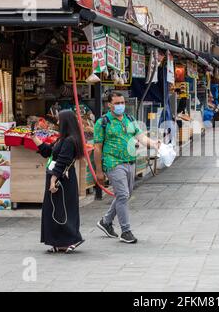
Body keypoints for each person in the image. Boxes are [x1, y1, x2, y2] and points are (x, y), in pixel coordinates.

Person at [95, 92, 160, 244]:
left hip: (130, 161)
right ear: (109, 105)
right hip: (113, 163)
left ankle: (106, 221)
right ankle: (126, 231)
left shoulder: (129, 119)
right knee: (123, 195)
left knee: (125, 195)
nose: (120, 105)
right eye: (117, 103)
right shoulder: (103, 122)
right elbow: (97, 147)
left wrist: (154, 144)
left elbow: (141, 137)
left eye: (122, 102)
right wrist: (99, 170)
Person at [32, 110, 85, 253]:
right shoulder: (63, 139)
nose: (58, 122)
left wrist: (53, 180)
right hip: (59, 178)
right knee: (57, 210)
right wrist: (35, 139)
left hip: (62, 180)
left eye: (60, 120)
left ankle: (72, 239)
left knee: (62, 210)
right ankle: (60, 241)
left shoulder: (69, 141)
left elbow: (62, 162)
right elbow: (49, 152)